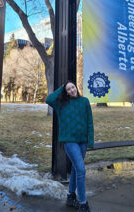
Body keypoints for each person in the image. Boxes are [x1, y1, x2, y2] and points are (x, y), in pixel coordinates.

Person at [45, 80, 94, 212]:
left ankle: (70, 196)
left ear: (76, 87)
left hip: (82, 141)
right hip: (69, 141)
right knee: (81, 170)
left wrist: (91, 140)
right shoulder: (60, 104)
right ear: (65, 92)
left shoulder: (84, 101)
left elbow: (90, 121)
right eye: (68, 89)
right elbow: (48, 99)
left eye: (73, 87)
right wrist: (62, 87)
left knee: (75, 169)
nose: (72, 90)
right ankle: (83, 203)